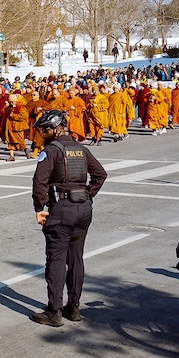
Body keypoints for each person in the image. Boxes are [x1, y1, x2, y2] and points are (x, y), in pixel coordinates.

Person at [29, 108, 107, 327]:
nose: (42, 134)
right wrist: (87, 195)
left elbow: (39, 182)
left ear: (57, 128)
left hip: (61, 210)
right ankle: (73, 308)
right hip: (83, 210)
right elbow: (100, 174)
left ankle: (54, 312)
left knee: (55, 259)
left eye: (45, 129)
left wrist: (39, 207)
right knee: (76, 259)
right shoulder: (80, 148)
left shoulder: (51, 150)